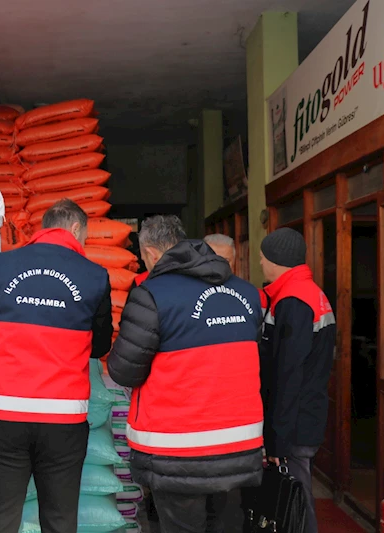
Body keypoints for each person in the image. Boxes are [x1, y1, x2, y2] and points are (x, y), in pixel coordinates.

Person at [0, 199, 113, 533]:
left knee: (1, 518)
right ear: (75, 229)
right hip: (64, 421)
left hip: (6, 417)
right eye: (84, 237)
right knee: (59, 520)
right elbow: (101, 346)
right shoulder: (94, 276)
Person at [107, 215, 263, 533]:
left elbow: (123, 370)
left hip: (177, 448)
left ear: (149, 253)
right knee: (227, 523)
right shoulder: (247, 294)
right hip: (238, 443)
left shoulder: (152, 295)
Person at [256, 228, 335, 533]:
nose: (261, 264)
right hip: (305, 415)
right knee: (294, 497)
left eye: (263, 258)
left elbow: (288, 375)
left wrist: (277, 438)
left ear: (277, 260)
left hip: (295, 424)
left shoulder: (293, 301)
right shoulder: (308, 293)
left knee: (295, 503)